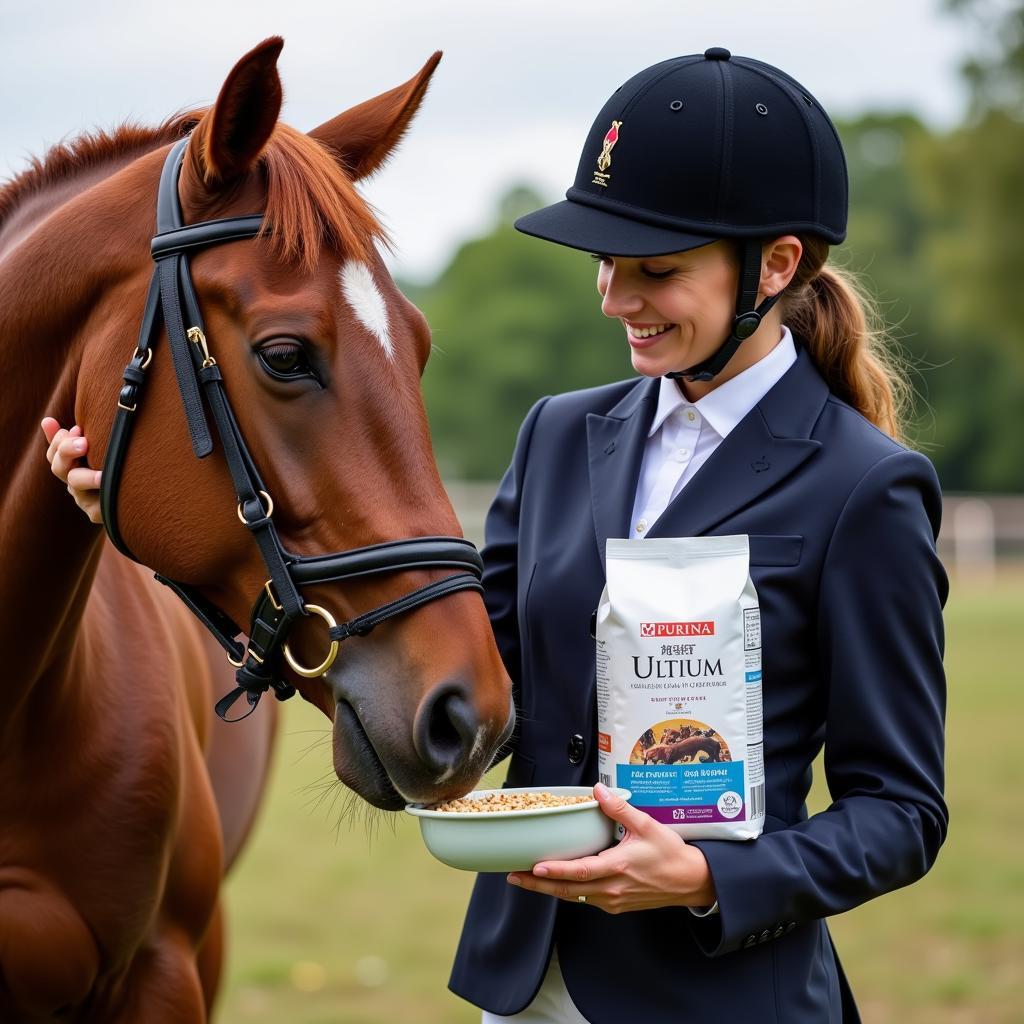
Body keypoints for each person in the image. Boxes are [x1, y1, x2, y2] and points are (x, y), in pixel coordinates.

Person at [43, 48, 948, 1024]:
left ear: (774, 266)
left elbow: (899, 812)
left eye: (656, 270)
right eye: (604, 262)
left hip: (721, 994)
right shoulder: (559, 435)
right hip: (524, 988)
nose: (613, 297)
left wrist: (701, 877)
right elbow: (462, 676)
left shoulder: (867, 487)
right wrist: (146, 525)